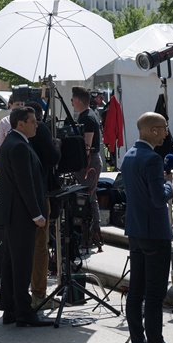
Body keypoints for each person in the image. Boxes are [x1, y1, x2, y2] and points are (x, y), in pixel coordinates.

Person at [122, 112, 173, 343]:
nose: (166, 132)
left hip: (136, 231)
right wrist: (170, 188)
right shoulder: (152, 159)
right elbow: (157, 198)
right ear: (153, 130)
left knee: (136, 293)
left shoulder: (129, 155)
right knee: (154, 296)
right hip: (154, 233)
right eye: (164, 128)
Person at [0, 105, 51, 327]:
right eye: (33, 121)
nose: (36, 125)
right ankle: (23, 312)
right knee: (21, 264)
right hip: (21, 214)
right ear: (21, 124)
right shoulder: (18, 146)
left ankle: (10, 308)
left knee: (12, 263)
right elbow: (25, 183)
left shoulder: (12, 142)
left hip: (13, 212)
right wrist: (37, 214)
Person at [23, 99, 61, 310]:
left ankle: (29, 292)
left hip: (26, 198)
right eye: (34, 123)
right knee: (40, 245)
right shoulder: (39, 131)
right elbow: (53, 158)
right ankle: (38, 294)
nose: (36, 127)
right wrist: (57, 145)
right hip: (39, 195)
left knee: (31, 246)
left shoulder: (14, 137)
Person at [71, 86, 104, 247]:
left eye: (72, 100)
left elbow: (87, 146)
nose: (71, 103)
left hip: (89, 163)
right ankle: (90, 235)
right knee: (88, 198)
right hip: (90, 162)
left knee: (89, 199)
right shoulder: (88, 115)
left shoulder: (87, 118)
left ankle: (92, 235)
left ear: (78, 100)